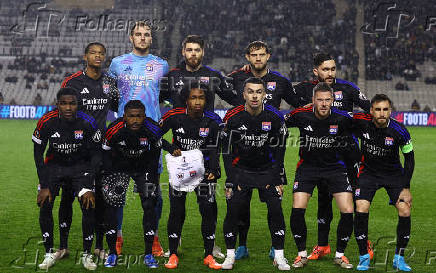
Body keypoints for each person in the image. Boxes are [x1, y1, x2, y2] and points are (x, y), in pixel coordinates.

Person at [292, 53, 371, 261]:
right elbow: (275, 96)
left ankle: (364, 239)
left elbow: (369, 110)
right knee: (323, 200)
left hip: (348, 154)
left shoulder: (348, 88)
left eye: (333, 69)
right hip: (319, 154)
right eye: (325, 69)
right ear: (315, 71)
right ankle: (322, 244)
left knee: (357, 198)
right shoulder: (303, 89)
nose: (330, 73)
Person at [226, 40, 298, 260]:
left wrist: (285, 122)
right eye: (254, 54)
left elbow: (298, 103)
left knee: (273, 202)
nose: (258, 58)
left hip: (271, 155)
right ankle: (242, 246)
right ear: (247, 56)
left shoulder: (281, 81)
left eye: (262, 54)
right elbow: (222, 99)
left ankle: (275, 248)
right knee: (241, 203)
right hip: (243, 151)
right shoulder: (234, 78)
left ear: (269, 56)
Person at [107, 21, 169, 256]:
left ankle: (153, 237)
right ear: (131, 38)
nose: (142, 38)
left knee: (154, 194)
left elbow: (164, 95)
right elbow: (111, 96)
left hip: (151, 136)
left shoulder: (161, 65)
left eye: (146, 35)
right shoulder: (117, 64)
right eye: (138, 34)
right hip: (123, 136)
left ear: (151, 39)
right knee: (117, 192)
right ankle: (118, 235)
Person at [56, 42, 118, 261]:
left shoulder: (110, 82)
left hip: (100, 151)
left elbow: (119, 107)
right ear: (85, 57)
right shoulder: (72, 82)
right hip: (75, 150)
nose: (98, 56)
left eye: (101, 53)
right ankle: (63, 246)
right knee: (67, 197)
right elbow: (61, 113)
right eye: (93, 53)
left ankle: (99, 246)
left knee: (100, 198)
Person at [221, 77, 290, 270]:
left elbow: (280, 150)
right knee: (233, 211)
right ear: (244, 94)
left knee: (276, 211)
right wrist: (232, 179)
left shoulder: (275, 117)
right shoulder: (232, 117)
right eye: (250, 91)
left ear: (264, 95)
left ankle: (279, 255)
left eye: (258, 92)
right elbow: (226, 151)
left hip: (267, 172)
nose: (254, 95)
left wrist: (276, 178)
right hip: (241, 172)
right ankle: (230, 255)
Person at [284, 82, 354, 269]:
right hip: (307, 168)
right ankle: (301, 255)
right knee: (298, 208)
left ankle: (340, 255)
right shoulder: (300, 115)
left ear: (333, 100)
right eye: (320, 100)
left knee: (348, 210)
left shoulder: (343, 118)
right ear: (313, 100)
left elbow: (364, 126)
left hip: (335, 168)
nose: (323, 104)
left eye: (327, 100)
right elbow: (279, 121)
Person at [33, 88, 101, 270]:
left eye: (72, 103)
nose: (68, 107)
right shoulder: (46, 121)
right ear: (57, 105)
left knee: (88, 203)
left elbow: (96, 154)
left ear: (78, 105)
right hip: (54, 167)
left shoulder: (87, 122)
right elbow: (38, 155)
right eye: (64, 103)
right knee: (46, 202)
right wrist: (44, 184)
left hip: (80, 168)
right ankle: (50, 252)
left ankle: (87, 255)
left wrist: (88, 184)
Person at [159, 83, 222, 269]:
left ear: (206, 100)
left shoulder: (213, 120)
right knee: (177, 211)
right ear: (186, 100)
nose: (197, 101)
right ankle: (172, 254)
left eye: (201, 98)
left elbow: (215, 148)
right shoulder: (173, 116)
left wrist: (213, 170)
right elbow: (153, 134)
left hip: (204, 175)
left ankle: (209, 254)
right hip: (180, 173)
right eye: (193, 98)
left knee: (207, 211)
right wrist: (170, 148)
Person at [353, 94, 414, 271]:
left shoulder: (400, 130)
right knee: (361, 207)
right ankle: (364, 256)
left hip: (393, 174)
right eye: (378, 109)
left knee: (404, 209)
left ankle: (399, 258)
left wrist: (406, 187)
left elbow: (409, 159)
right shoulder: (360, 122)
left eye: (385, 110)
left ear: (390, 111)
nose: (381, 113)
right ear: (371, 110)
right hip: (368, 172)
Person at [101, 100, 163, 268]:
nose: (135, 120)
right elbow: (105, 155)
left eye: (139, 116)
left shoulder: (153, 128)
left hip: (143, 168)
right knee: (112, 205)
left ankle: (149, 254)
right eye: (131, 116)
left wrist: (151, 180)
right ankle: (112, 253)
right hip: (118, 168)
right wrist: (108, 178)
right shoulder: (114, 129)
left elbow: (155, 154)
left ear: (144, 116)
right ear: (124, 117)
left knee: (150, 204)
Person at [160, 34, 235, 110]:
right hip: (178, 121)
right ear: (183, 52)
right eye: (189, 50)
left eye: (197, 50)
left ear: (203, 52)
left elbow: (233, 99)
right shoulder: (172, 76)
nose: (193, 54)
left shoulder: (213, 75)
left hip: (206, 121)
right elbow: (156, 100)